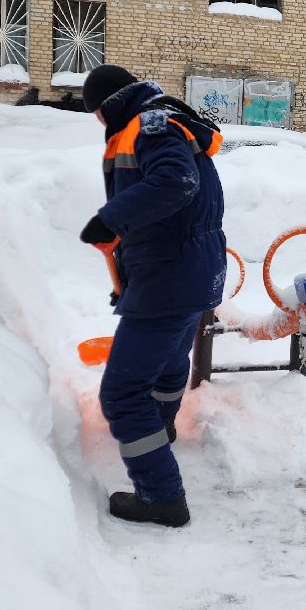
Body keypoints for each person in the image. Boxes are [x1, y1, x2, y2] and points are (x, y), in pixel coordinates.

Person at [78, 65, 227, 527]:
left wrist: (111, 219)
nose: (101, 125)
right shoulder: (162, 120)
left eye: (98, 115)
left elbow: (175, 183)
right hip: (189, 274)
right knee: (167, 362)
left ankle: (160, 496)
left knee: (122, 394)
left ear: (105, 107)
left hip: (170, 277)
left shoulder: (149, 125)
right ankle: (160, 426)